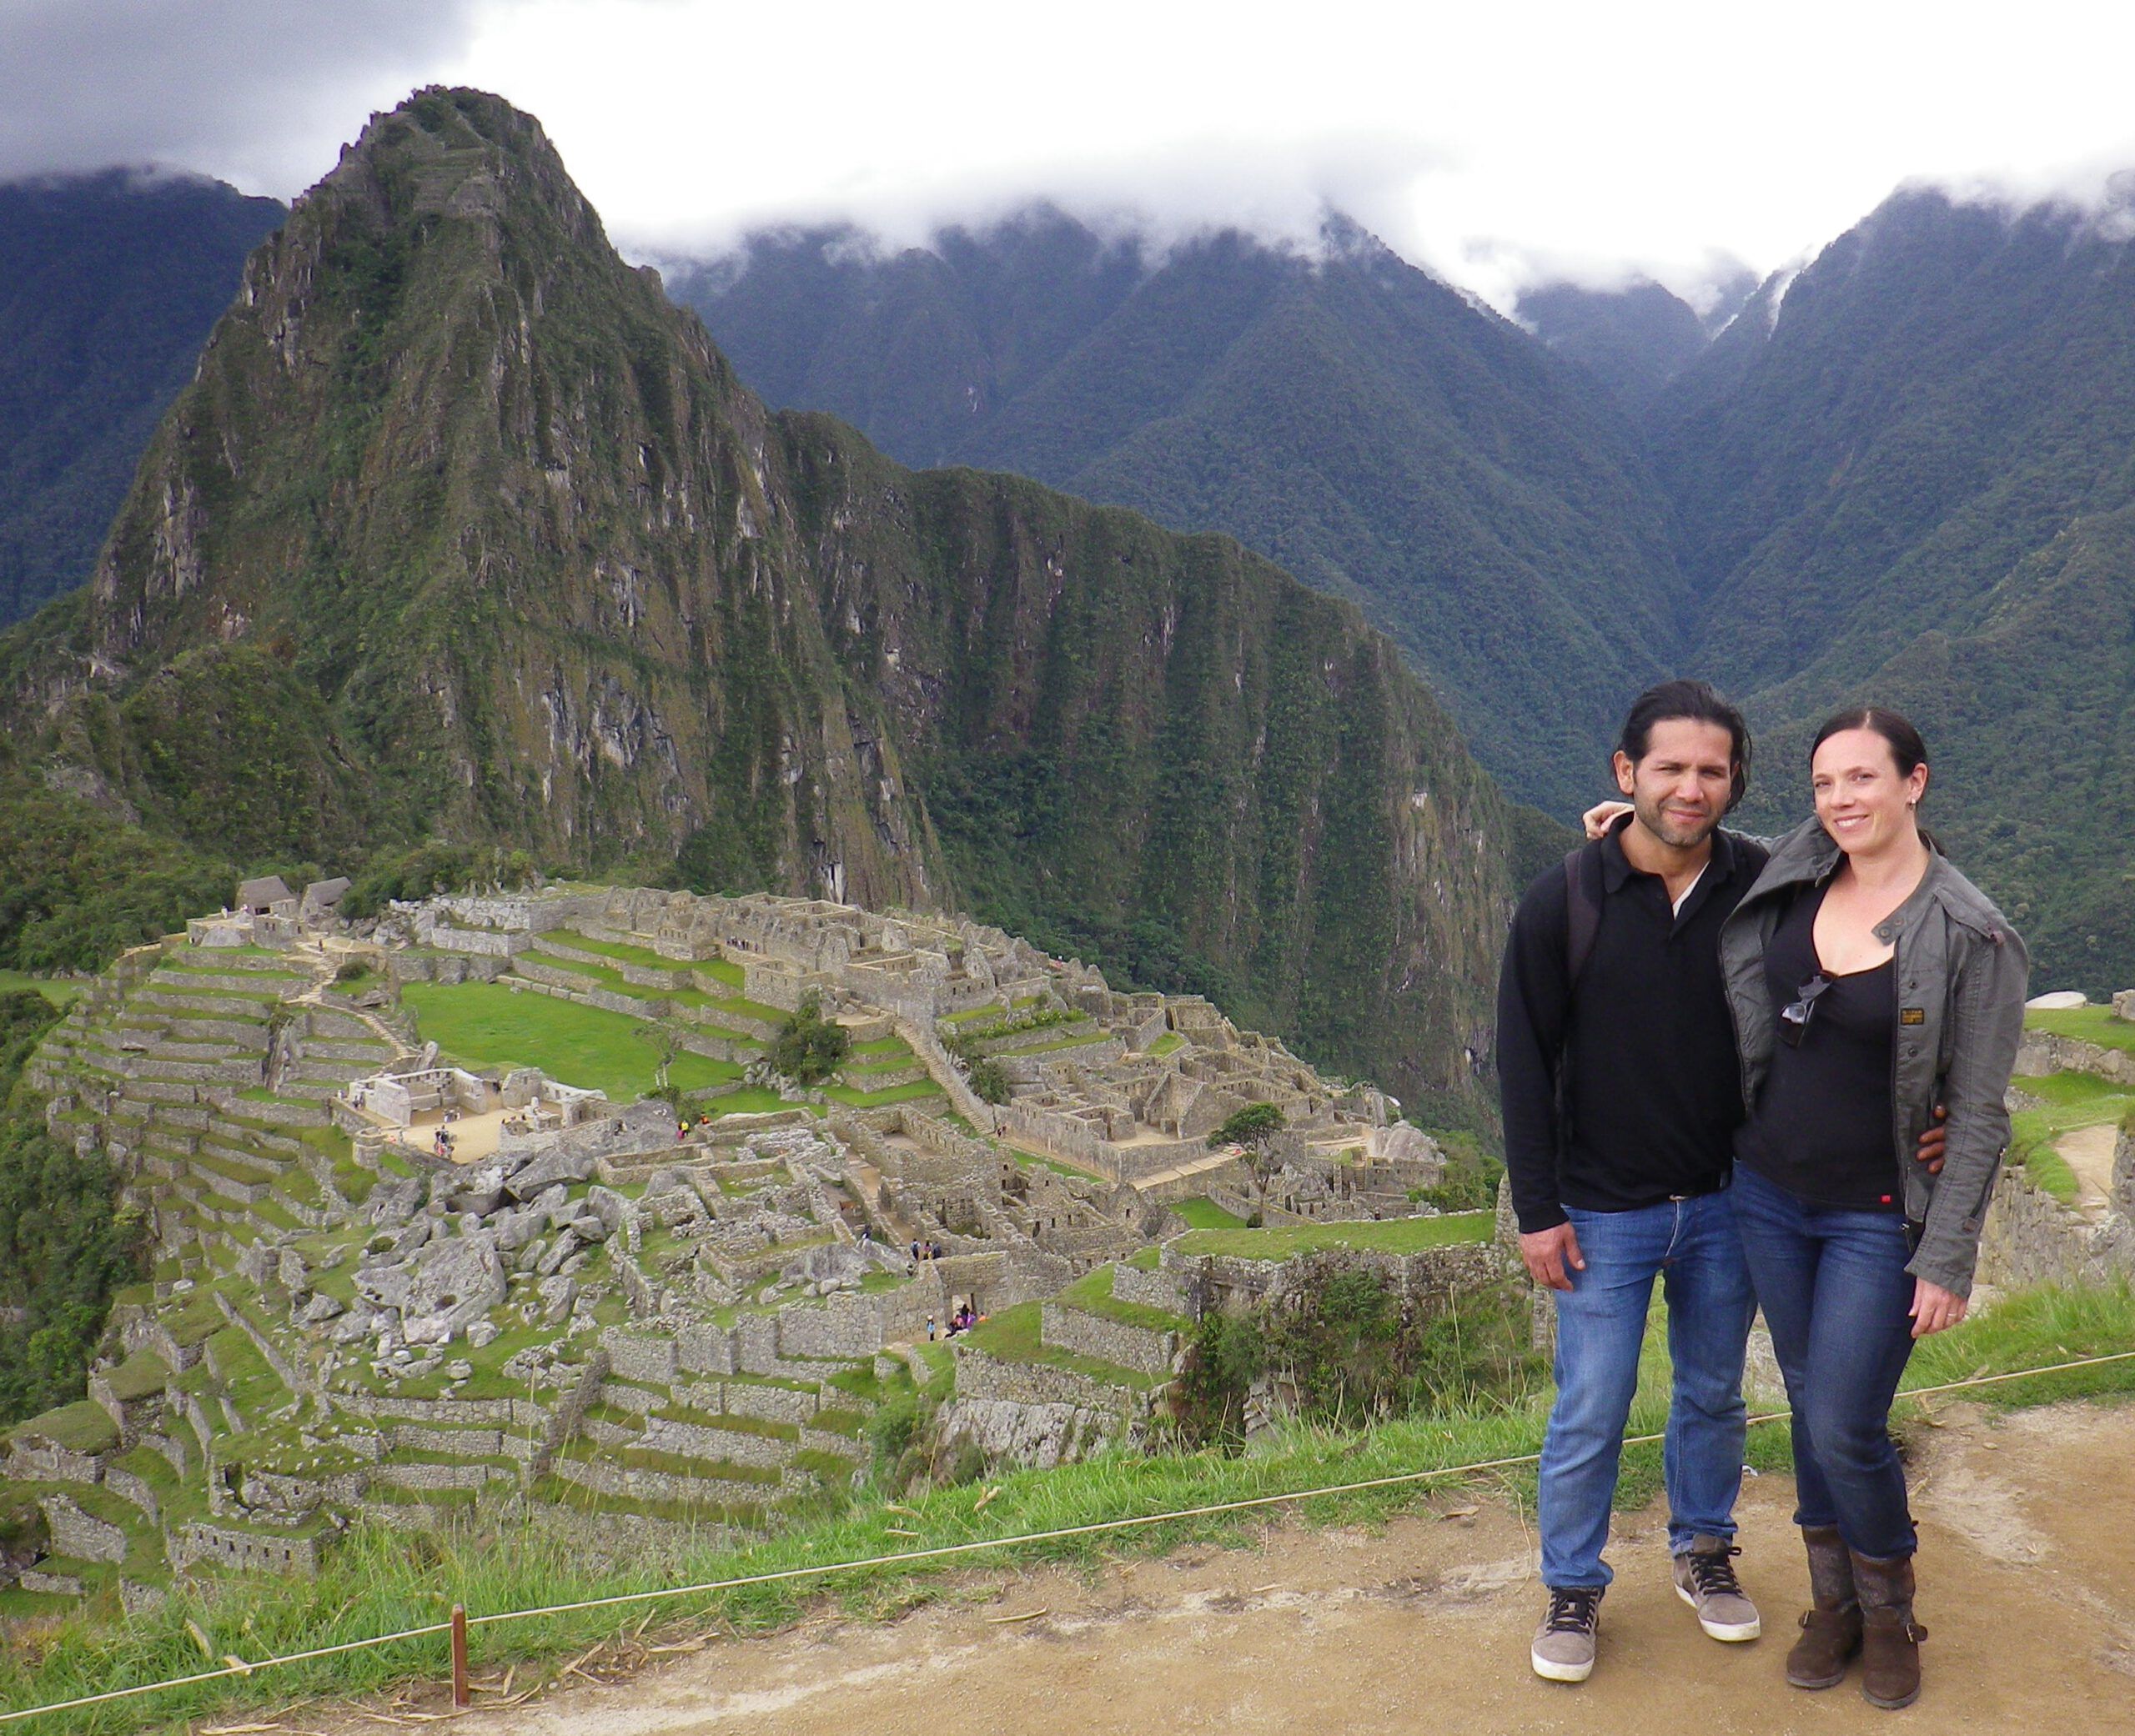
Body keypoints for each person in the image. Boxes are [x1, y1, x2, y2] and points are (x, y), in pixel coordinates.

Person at [1718, 709, 2026, 1711]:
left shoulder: (1972, 934)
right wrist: (1626, 822)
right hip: (1766, 1191)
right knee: (1809, 1403)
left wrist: (1947, 1257)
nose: (1841, 800)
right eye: (1823, 783)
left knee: (1846, 1419)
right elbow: (1730, 848)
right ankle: (1833, 1606)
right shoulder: (1802, 863)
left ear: (1914, 783)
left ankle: (1889, 1608)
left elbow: (1977, 1114)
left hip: (1873, 1216)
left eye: (1861, 779)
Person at [1498, 680, 1770, 1683]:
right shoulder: (1563, 900)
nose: (1690, 788)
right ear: (1625, 773)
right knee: (1592, 1403)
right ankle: (1571, 1585)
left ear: (1735, 780)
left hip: (1727, 1198)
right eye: (1669, 769)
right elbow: (1521, 1060)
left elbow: (1887, 881)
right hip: (1601, 1208)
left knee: (1710, 1392)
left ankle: (1704, 1551)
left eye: (1711, 770)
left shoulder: (1766, 885)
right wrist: (1536, 1213)